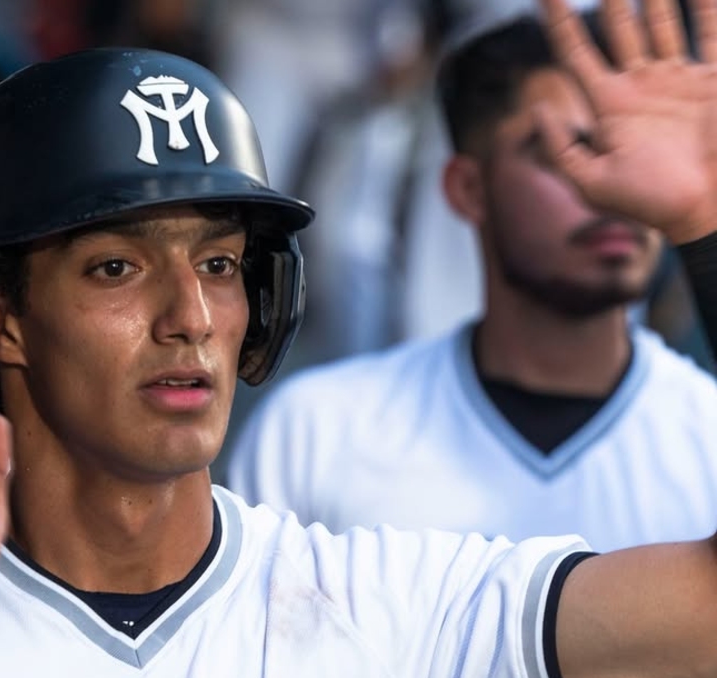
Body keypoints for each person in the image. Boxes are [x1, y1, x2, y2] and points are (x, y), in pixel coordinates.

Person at [0, 0, 717, 672]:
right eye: (117, 267)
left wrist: (707, 226)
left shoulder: (382, 601)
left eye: (218, 263)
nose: (191, 319)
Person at [224, 11, 717, 551]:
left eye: (643, 153)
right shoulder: (314, 435)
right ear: (468, 189)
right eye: (566, 152)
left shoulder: (707, 433)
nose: (616, 188)